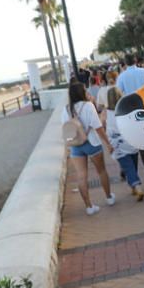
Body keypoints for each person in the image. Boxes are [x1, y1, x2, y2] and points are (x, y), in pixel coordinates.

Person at [61, 82, 114, 216]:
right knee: (101, 171)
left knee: (81, 177)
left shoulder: (66, 109)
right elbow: (98, 127)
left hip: (76, 146)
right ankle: (109, 198)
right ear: (81, 92)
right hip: (91, 143)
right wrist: (108, 143)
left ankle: (89, 207)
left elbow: (65, 128)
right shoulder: (88, 106)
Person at [105, 86, 144, 201]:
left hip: (118, 144)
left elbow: (103, 126)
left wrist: (108, 144)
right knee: (133, 164)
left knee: (128, 167)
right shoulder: (127, 108)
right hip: (131, 141)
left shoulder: (106, 112)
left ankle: (137, 186)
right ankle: (133, 185)